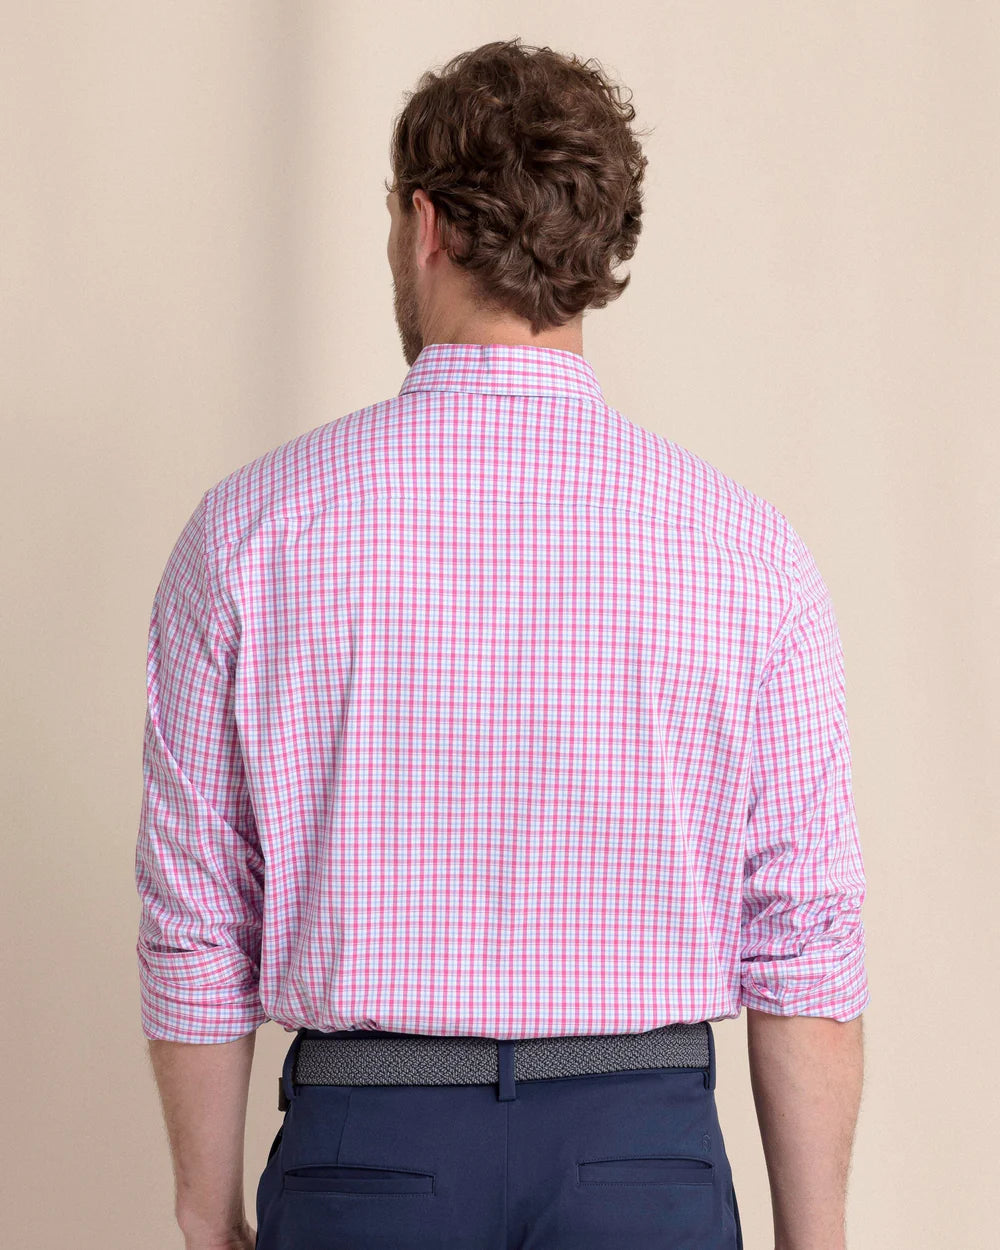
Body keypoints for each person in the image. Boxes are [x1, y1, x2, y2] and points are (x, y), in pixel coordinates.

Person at [134, 37, 868, 1250]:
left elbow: (197, 914)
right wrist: (818, 1234)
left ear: (424, 225)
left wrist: (207, 1212)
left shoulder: (250, 532)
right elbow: (804, 936)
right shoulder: (748, 553)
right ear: (593, 246)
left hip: (365, 1159)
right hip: (642, 1157)